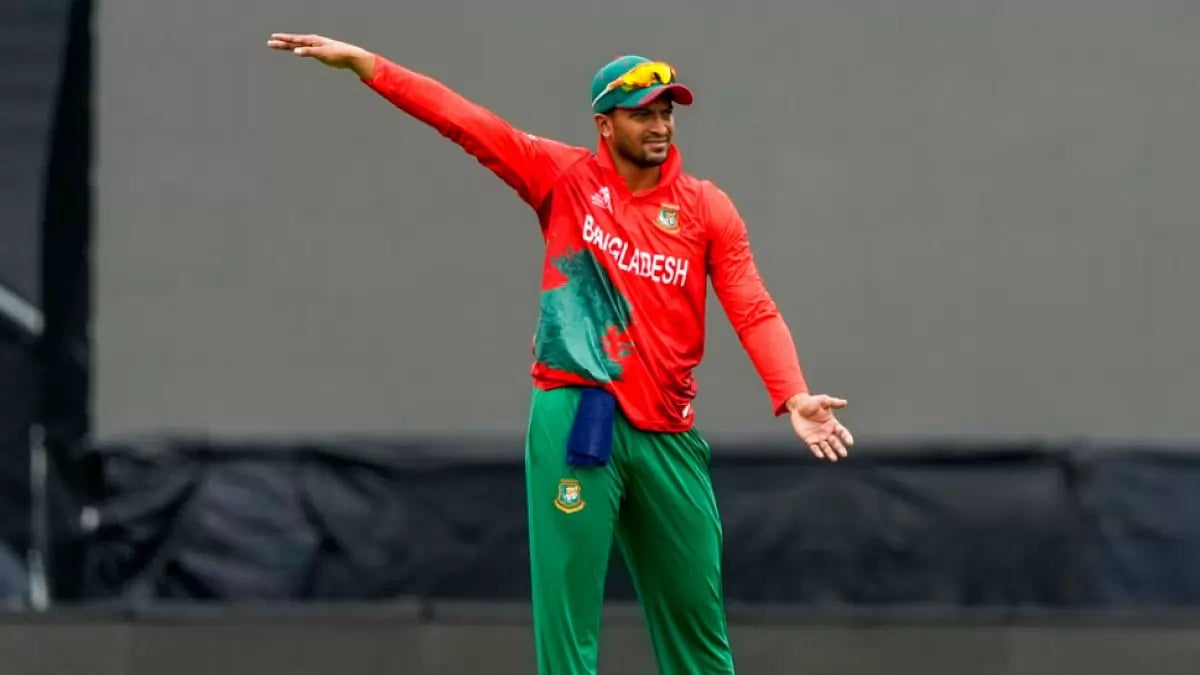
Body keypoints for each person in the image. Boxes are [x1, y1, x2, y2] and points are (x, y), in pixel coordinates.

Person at [267, 33, 855, 675]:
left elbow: (753, 306)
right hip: (579, 413)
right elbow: (467, 122)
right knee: (568, 625)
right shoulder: (563, 178)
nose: (659, 126)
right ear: (605, 125)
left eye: (667, 112)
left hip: (669, 431)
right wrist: (368, 66)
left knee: (698, 624)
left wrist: (793, 393)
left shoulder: (705, 207)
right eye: (643, 113)